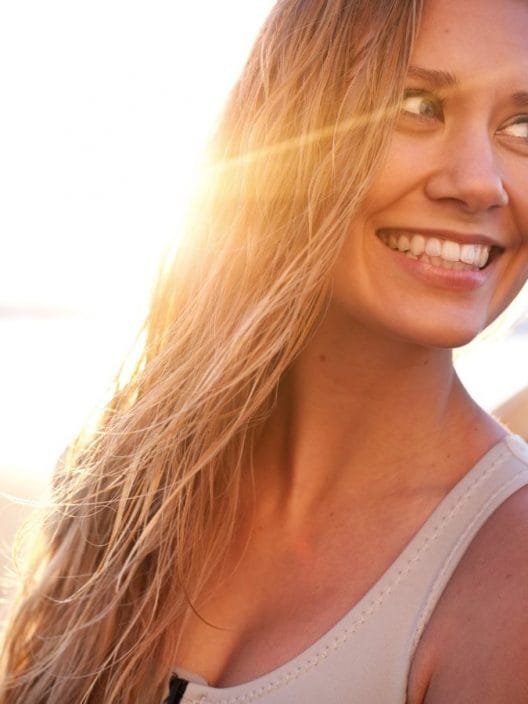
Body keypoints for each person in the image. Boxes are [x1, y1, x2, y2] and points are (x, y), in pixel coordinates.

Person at [2, 0, 528, 702]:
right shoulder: (130, 482)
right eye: (415, 103)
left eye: (523, 125)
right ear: (293, 125)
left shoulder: (508, 576)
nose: (477, 183)